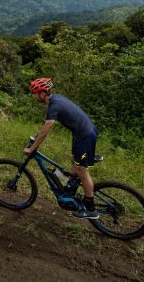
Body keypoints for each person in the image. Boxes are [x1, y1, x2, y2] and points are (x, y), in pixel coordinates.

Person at [23, 77, 99, 219]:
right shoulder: (56, 99)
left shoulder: (53, 107)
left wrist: (32, 148)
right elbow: (44, 128)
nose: (34, 97)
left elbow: (46, 130)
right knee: (74, 160)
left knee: (83, 171)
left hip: (84, 136)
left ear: (42, 94)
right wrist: (36, 136)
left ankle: (90, 208)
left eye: (35, 93)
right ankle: (71, 187)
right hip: (85, 132)